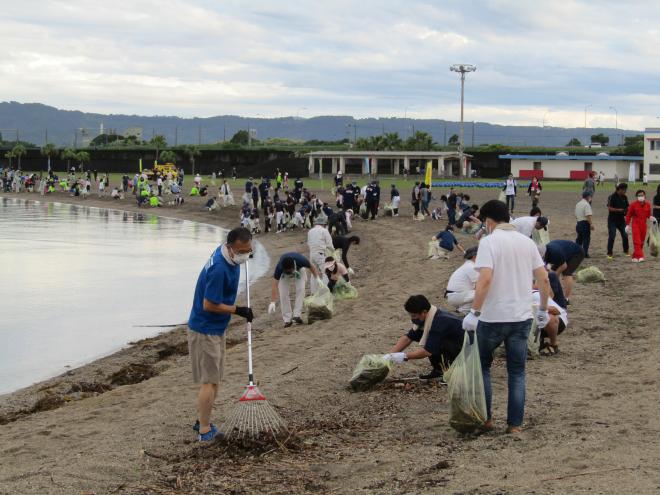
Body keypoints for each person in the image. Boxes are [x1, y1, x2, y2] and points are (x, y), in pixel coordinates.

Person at [462, 200, 550, 433]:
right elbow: (543, 278)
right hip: (521, 317)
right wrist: (541, 309)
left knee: (482, 367)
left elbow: (485, 280)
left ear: (489, 221)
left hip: (492, 318)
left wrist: (474, 312)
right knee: (517, 372)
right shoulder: (526, 242)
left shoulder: (489, 242)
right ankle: (515, 425)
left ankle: (487, 419)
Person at [187, 227, 254, 442]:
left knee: (216, 379)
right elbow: (209, 304)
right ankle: (204, 430)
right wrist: (238, 310)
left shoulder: (232, 259)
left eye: (249, 251)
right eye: (242, 251)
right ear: (230, 248)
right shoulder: (219, 268)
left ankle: (203, 420)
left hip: (218, 327)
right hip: (205, 328)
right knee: (209, 381)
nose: (246, 255)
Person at [384, 295, 464, 380]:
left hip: (465, 351)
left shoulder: (440, 322)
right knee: (429, 338)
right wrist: (388, 356)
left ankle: (452, 372)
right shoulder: (428, 317)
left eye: (414, 316)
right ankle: (439, 371)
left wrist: (403, 356)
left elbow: (427, 351)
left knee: (435, 343)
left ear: (424, 312)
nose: (412, 319)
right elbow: (408, 338)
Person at [268, 253, 320, 327]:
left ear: (293, 267)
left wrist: (317, 278)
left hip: (299, 270)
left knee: (301, 289)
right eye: (287, 271)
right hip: (284, 274)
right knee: (283, 293)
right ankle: (287, 320)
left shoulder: (301, 260)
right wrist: (272, 302)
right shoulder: (279, 268)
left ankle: (297, 316)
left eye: (289, 271)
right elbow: (275, 284)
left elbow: (311, 266)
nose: (289, 273)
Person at [532, 286, 568, 357]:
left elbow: (555, 311)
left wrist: (538, 308)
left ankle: (553, 345)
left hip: (559, 320)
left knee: (550, 318)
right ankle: (538, 342)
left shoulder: (533, 296)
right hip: (537, 320)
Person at [445, 246, 478, 314]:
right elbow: (480, 286)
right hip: (456, 296)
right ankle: (462, 311)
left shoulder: (468, 265)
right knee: (483, 293)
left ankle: (462, 309)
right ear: (475, 256)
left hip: (455, 295)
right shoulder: (472, 267)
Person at [307, 216, 334, 291]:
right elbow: (329, 244)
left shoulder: (310, 231)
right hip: (320, 253)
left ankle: (313, 291)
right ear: (323, 224)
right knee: (325, 272)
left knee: (314, 274)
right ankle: (325, 291)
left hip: (312, 254)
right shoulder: (324, 230)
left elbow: (308, 243)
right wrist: (333, 251)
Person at [625, 189, 652, 262]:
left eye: (642, 195)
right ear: (637, 197)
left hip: (644, 225)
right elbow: (628, 215)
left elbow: (648, 215)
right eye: (639, 195)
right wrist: (627, 225)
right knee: (637, 241)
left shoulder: (648, 204)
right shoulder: (633, 205)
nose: (641, 197)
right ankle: (640, 256)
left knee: (642, 242)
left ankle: (634, 256)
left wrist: (652, 218)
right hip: (635, 224)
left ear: (645, 196)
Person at [606, 183, 630, 260]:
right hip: (612, 220)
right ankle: (609, 253)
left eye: (626, 190)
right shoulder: (611, 197)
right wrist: (619, 210)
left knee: (625, 235)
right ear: (619, 189)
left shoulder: (625, 197)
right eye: (624, 190)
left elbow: (627, 206)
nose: (625, 191)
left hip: (621, 220)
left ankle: (626, 251)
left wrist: (627, 211)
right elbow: (609, 208)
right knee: (612, 236)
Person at [575, 191, 594, 258]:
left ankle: (576, 252)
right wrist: (591, 224)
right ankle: (585, 253)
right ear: (588, 197)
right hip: (584, 223)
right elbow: (588, 215)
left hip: (578, 223)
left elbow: (576, 215)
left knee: (579, 239)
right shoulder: (586, 204)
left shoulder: (578, 204)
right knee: (586, 239)